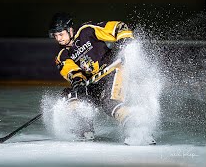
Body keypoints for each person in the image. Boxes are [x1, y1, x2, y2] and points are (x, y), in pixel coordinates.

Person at [48, 12, 156, 145]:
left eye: (61, 34)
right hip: (95, 83)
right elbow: (71, 71)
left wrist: (125, 39)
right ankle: (84, 129)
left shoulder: (86, 31)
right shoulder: (62, 55)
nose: (59, 38)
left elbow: (117, 27)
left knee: (109, 102)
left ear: (70, 30)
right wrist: (78, 82)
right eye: (56, 35)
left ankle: (139, 127)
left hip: (114, 70)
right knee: (70, 95)